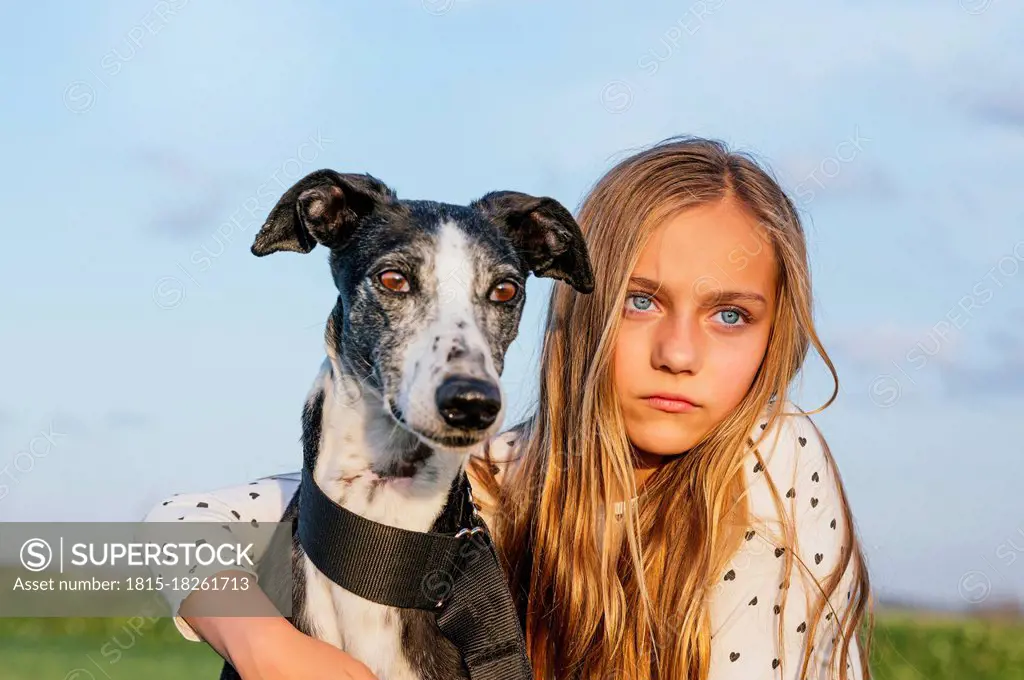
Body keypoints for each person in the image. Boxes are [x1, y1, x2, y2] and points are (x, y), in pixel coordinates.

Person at [145, 137, 872, 680]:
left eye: (730, 316)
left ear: (778, 330)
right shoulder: (488, 477)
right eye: (641, 302)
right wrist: (267, 648)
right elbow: (170, 529)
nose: (679, 354)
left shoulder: (775, 458)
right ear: (582, 308)